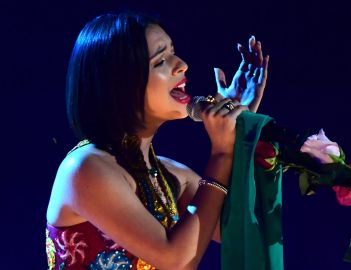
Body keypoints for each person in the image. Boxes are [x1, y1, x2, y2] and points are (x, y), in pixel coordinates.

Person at [45, 11, 269, 269]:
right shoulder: (85, 169)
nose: (182, 64)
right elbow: (176, 260)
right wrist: (221, 155)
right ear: (121, 83)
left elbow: (244, 232)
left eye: (172, 52)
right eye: (160, 60)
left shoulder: (167, 175)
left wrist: (240, 134)